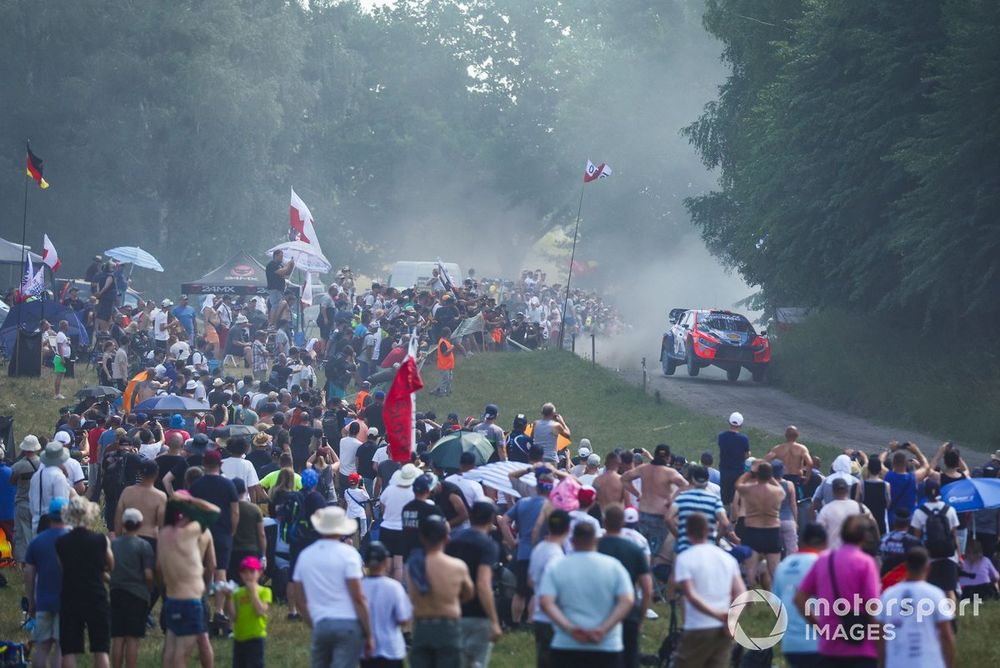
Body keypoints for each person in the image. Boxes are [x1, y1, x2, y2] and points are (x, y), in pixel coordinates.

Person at [538, 522, 634, 667]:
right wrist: (603, 629)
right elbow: (626, 600)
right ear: (597, 540)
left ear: (572, 541)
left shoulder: (557, 566)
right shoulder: (614, 566)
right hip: (606, 644)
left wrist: (569, 628)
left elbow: (546, 602)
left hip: (566, 643)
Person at [289, 505, 373, 668]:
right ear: (341, 530)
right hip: (348, 624)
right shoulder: (349, 554)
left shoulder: (305, 556)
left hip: (320, 623)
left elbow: (300, 600)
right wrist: (369, 633)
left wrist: (314, 622)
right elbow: (358, 597)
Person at [795, 515, 882, 667]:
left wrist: (820, 627)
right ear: (864, 537)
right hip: (861, 647)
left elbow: (799, 599)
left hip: (830, 648)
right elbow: (873, 608)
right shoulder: (865, 563)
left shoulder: (823, 560)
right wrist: (881, 646)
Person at [673, 512, 746, 668]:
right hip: (724, 629)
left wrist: (718, 615)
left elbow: (691, 595)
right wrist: (730, 619)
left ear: (687, 532)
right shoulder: (727, 558)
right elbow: (741, 594)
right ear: (709, 531)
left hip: (698, 626)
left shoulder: (685, 558)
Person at [157, 492, 221, 668]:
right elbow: (214, 512)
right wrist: (192, 501)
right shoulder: (191, 532)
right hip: (190, 601)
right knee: (181, 655)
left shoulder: (163, 535)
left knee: (170, 650)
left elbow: (158, 569)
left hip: (172, 600)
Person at [406, 515, 475, 668]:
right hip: (448, 627)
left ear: (422, 538)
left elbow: (412, 596)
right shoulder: (458, 567)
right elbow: (469, 594)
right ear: (447, 538)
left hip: (422, 627)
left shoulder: (414, 566)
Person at [56, 497, 114, 668]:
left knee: (69, 650)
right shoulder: (100, 540)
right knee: (101, 648)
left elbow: (61, 567)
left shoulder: (61, 542)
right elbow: (111, 564)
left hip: (70, 595)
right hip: (95, 595)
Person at [876, 547, 956, 668]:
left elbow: (880, 635)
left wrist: (882, 663)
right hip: (929, 663)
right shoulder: (935, 594)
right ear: (928, 568)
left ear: (906, 566)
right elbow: (946, 635)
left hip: (897, 663)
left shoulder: (888, 595)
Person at [446, 501, 503, 667]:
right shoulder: (487, 544)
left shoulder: (454, 539)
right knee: (476, 662)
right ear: (491, 519)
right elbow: (483, 584)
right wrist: (494, 620)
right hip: (478, 612)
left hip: (453, 609)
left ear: (470, 516)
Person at [189, 449, 239, 633]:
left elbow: (191, 509)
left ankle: (203, 606)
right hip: (222, 532)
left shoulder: (197, 485)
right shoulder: (228, 485)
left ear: (204, 464)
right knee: (221, 572)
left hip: (201, 532)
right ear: (221, 465)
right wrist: (231, 531)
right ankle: (219, 610)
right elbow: (235, 511)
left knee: (202, 569)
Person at [598, 505, 652, 668]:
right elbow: (647, 589)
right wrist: (640, 617)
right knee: (629, 658)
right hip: (628, 612)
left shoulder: (594, 546)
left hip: (599, 612)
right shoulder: (635, 549)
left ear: (604, 522)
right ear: (623, 523)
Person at [772, 523, 827, 668]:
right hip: (818, 643)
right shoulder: (822, 564)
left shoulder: (782, 566)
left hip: (790, 645)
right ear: (825, 542)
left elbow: (776, 605)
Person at [24, 497, 70, 668]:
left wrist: (31, 600)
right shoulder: (72, 539)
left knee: (42, 646)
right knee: (60, 646)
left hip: (43, 600)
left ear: (49, 517)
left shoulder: (38, 541)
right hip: (66, 601)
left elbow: (29, 573)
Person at [500, 469, 550, 628]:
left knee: (520, 591)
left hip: (523, 550)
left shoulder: (523, 502)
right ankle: (529, 622)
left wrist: (512, 541)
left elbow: (503, 521)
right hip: (542, 552)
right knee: (536, 590)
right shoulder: (550, 507)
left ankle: (515, 623)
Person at [622, 444, 687, 560]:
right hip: (659, 515)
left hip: (642, 514)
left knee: (643, 549)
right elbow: (685, 485)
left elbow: (624, 479)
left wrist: (638, 494)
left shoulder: (643, 469)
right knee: (656, 552)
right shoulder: (669, 472)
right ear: (668, 458)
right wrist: (672, 498)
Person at [110, 508, 155, 668]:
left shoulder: (114, 544)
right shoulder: (144, 546)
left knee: (118, 636)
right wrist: (148, 589)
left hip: (116, 592)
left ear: (123, 523)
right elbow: (149, 575)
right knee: (132, 638)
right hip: (137, 594)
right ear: (140, 524)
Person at [360, 540, 413, 668]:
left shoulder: (359, 587)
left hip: (366, 648)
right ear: (385, 562)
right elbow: (404, 619)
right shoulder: (394, 587)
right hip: (391, 648)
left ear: (366, 563)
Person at [528, 510, 570, 668]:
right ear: (567, 529)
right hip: (552, 618)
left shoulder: (539, 549)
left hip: (540, 616)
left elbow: (530, 581)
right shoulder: (556, 557)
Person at [735, 460, 786, 587]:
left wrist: (749, 473)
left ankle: (751, 598)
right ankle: (779, 598)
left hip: (753, 530)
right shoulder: (778, 492)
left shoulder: (749, 490)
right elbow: (780, 488)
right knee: (774, 569)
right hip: (772, 530)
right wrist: (771, 477)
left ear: (757, 475)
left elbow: (738, 484)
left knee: (750, 569)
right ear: (770, 476)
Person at [910, 479, 960, 603]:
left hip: (929, 557)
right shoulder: (950, 510)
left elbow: (916, 539)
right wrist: (958, 556)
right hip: (949, 556)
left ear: (925, 493)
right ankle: (950, 619)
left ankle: (932, 618)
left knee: (930, 592)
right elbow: (954, 535)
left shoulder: (919, 512)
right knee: (949, 591)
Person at [668, 465, 729, 555]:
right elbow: (725, 523)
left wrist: (678, 536)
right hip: (707, 547)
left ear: (692, 480)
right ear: (707, 480)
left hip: (685, 547)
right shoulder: (715, 500)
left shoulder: (681, 497)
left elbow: (668, 518)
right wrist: (717, 539)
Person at [225, 555, 271, 668]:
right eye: (244, 572)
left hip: (255, 636)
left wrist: (253, 593)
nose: (248, 575)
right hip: (239, 637)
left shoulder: (264, 591)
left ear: (259, 573)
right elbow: (233, 617)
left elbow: (260, 611)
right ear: (241, 575)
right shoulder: (238, 593)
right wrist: (229, 598)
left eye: (252, 571)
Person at [816, 477, 877, 551]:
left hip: (834, 554)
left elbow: (818, 531)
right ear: (847, 490)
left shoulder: (826, 509)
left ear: (833, 491)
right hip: (856, 553)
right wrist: (877, 543)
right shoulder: (859, 506)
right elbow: (873, 522)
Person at [114, 459, 166, 540]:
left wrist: (119, 539)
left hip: (128, 537)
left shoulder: (127, 492)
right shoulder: (160, 496)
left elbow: (118, 519)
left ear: (140, 473)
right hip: (150, 538)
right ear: (156, 474)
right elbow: (161, 524)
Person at [11, 434, 42, 562]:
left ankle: (24, 563)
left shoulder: (18, 466)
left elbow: (12, 481)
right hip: (39, 504)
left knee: (22, 534)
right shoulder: (42, 463)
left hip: (23, 502)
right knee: (37, 533)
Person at [29, 441, 72, 534]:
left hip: (36, 523)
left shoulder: (36, 476)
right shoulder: (59, 477)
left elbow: (31, 502)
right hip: (53, 525)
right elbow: (62, 504)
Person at [230, 478, 266, 580]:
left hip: (233, 550)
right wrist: (263, 555)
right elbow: (261, 534)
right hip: (251, 550)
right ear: (245, 490)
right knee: (250, 582)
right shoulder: (254, 509)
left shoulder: (228, 509)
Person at [717, 411, 750, 508]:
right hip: (738, 471)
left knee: (725, 496)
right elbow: (747, 455)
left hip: (725, 470)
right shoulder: (744, 439)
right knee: (736, 496)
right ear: (741, 424)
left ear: (729, 422)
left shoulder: (721, 436)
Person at [265, 249, 295, 317]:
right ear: (275, 256)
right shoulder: (272, 264)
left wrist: (291, 266)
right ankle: (271, 323)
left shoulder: (280, 265)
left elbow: (287, 272)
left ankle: (275, 321)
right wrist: (288, 264)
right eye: (281, 256)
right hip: (274, 289)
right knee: (275, 306)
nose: (282, 258)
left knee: (279, 306)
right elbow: (282, 271)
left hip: (279, 290)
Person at [432, 327, 456, 396]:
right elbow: (445, 353)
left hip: (448, 365)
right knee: (445, 380)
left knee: (449, 379)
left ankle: (447, 391)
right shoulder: (443, 342)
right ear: (448, 334)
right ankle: (442, 393)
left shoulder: (445, 341)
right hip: (444, 365)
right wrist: (451, 348)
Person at [53, 320, 72, 399]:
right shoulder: (60, 335)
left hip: (62, 357)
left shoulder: (62, 335)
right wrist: (62, 358)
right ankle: (57, 394)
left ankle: (58, 393)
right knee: (59, 376)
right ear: (64, 326)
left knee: (61, 376)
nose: (68, 327)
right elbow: (60, 346)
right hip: (60, 358)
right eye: (67, 325)